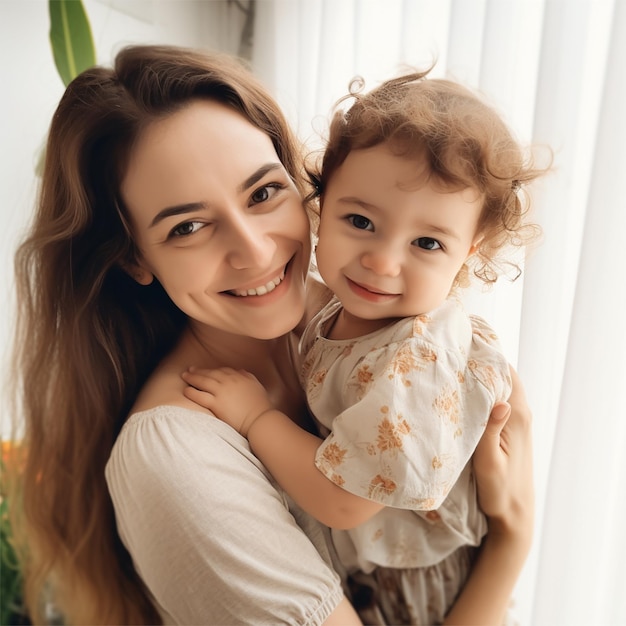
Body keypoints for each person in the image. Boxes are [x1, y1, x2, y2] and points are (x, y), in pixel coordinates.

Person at [9, 45, 534, 626]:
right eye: (188, 226)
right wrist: (512, 543)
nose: (255, 252)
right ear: (135, 257)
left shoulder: (366, 321)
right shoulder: (175, 457)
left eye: (263, 193)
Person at [182, 69, 548, 625]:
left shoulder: (418, 357)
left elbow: (344, 502)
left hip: (423, 585)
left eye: (426, 242)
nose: (383, 261)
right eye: (360, 221)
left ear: (467, 253)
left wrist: (256, 416)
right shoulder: (343, 308)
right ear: (319, 208)